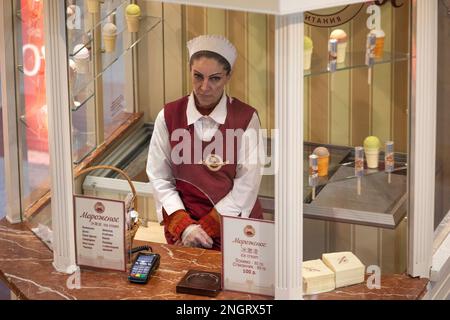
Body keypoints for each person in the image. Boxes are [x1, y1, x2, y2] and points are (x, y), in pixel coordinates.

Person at [146, 35, 263, 251]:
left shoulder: (246, 118)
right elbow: (159, 176)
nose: (204, 87)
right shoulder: (169, 116)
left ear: (228, 76)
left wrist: (210, 225)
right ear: (190, 71)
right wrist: (185, 226)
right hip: (183, 231)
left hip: (235, 229)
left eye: (215, 78)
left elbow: (248, 183)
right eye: (198, 76)